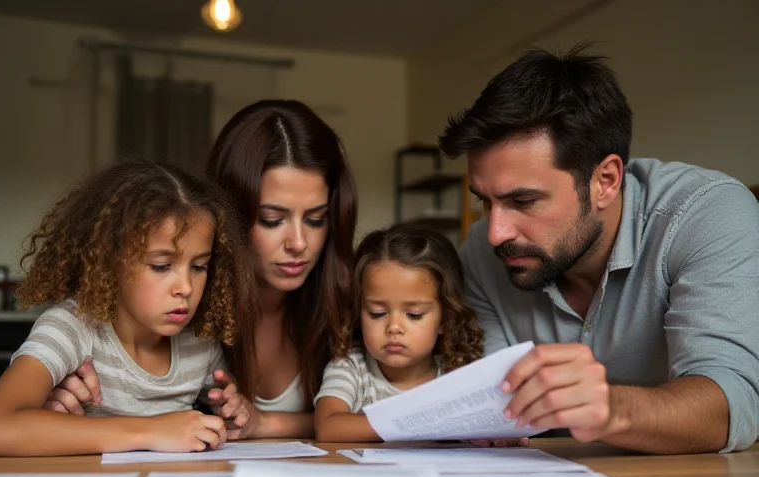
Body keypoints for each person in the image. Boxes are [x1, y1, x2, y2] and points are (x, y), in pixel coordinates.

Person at [438, 44, 759, 454]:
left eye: (522, 202)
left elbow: (732, 402)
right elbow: (498, 408)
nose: (495, 233)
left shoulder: (706, 213)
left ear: (605, 180)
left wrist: (610, 409)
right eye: (484, 199)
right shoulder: (482, 257)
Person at [41, 100, 358, 439]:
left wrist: (265, 423)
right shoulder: (178, 304)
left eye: (315, 219)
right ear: (227, 215)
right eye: (272, 220)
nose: (298, 242)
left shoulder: (356, 305)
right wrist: (57, 411)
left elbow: (384, 412)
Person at [0, 159, 257, 456]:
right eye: (161, 266)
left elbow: (226, 416)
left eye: (199, 266)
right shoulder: (71, 329)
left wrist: (234, 411)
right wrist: (152, 430)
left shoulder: (201, 348)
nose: (186, 287)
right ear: (111, 263)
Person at [314, 223, 486, 442]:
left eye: (414, 315)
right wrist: (425, 421)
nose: (394, 327)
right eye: (377, 313)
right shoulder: (351, 367)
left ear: (446, 319)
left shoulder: (456, 373)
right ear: (359, 312)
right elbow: (328, 428)